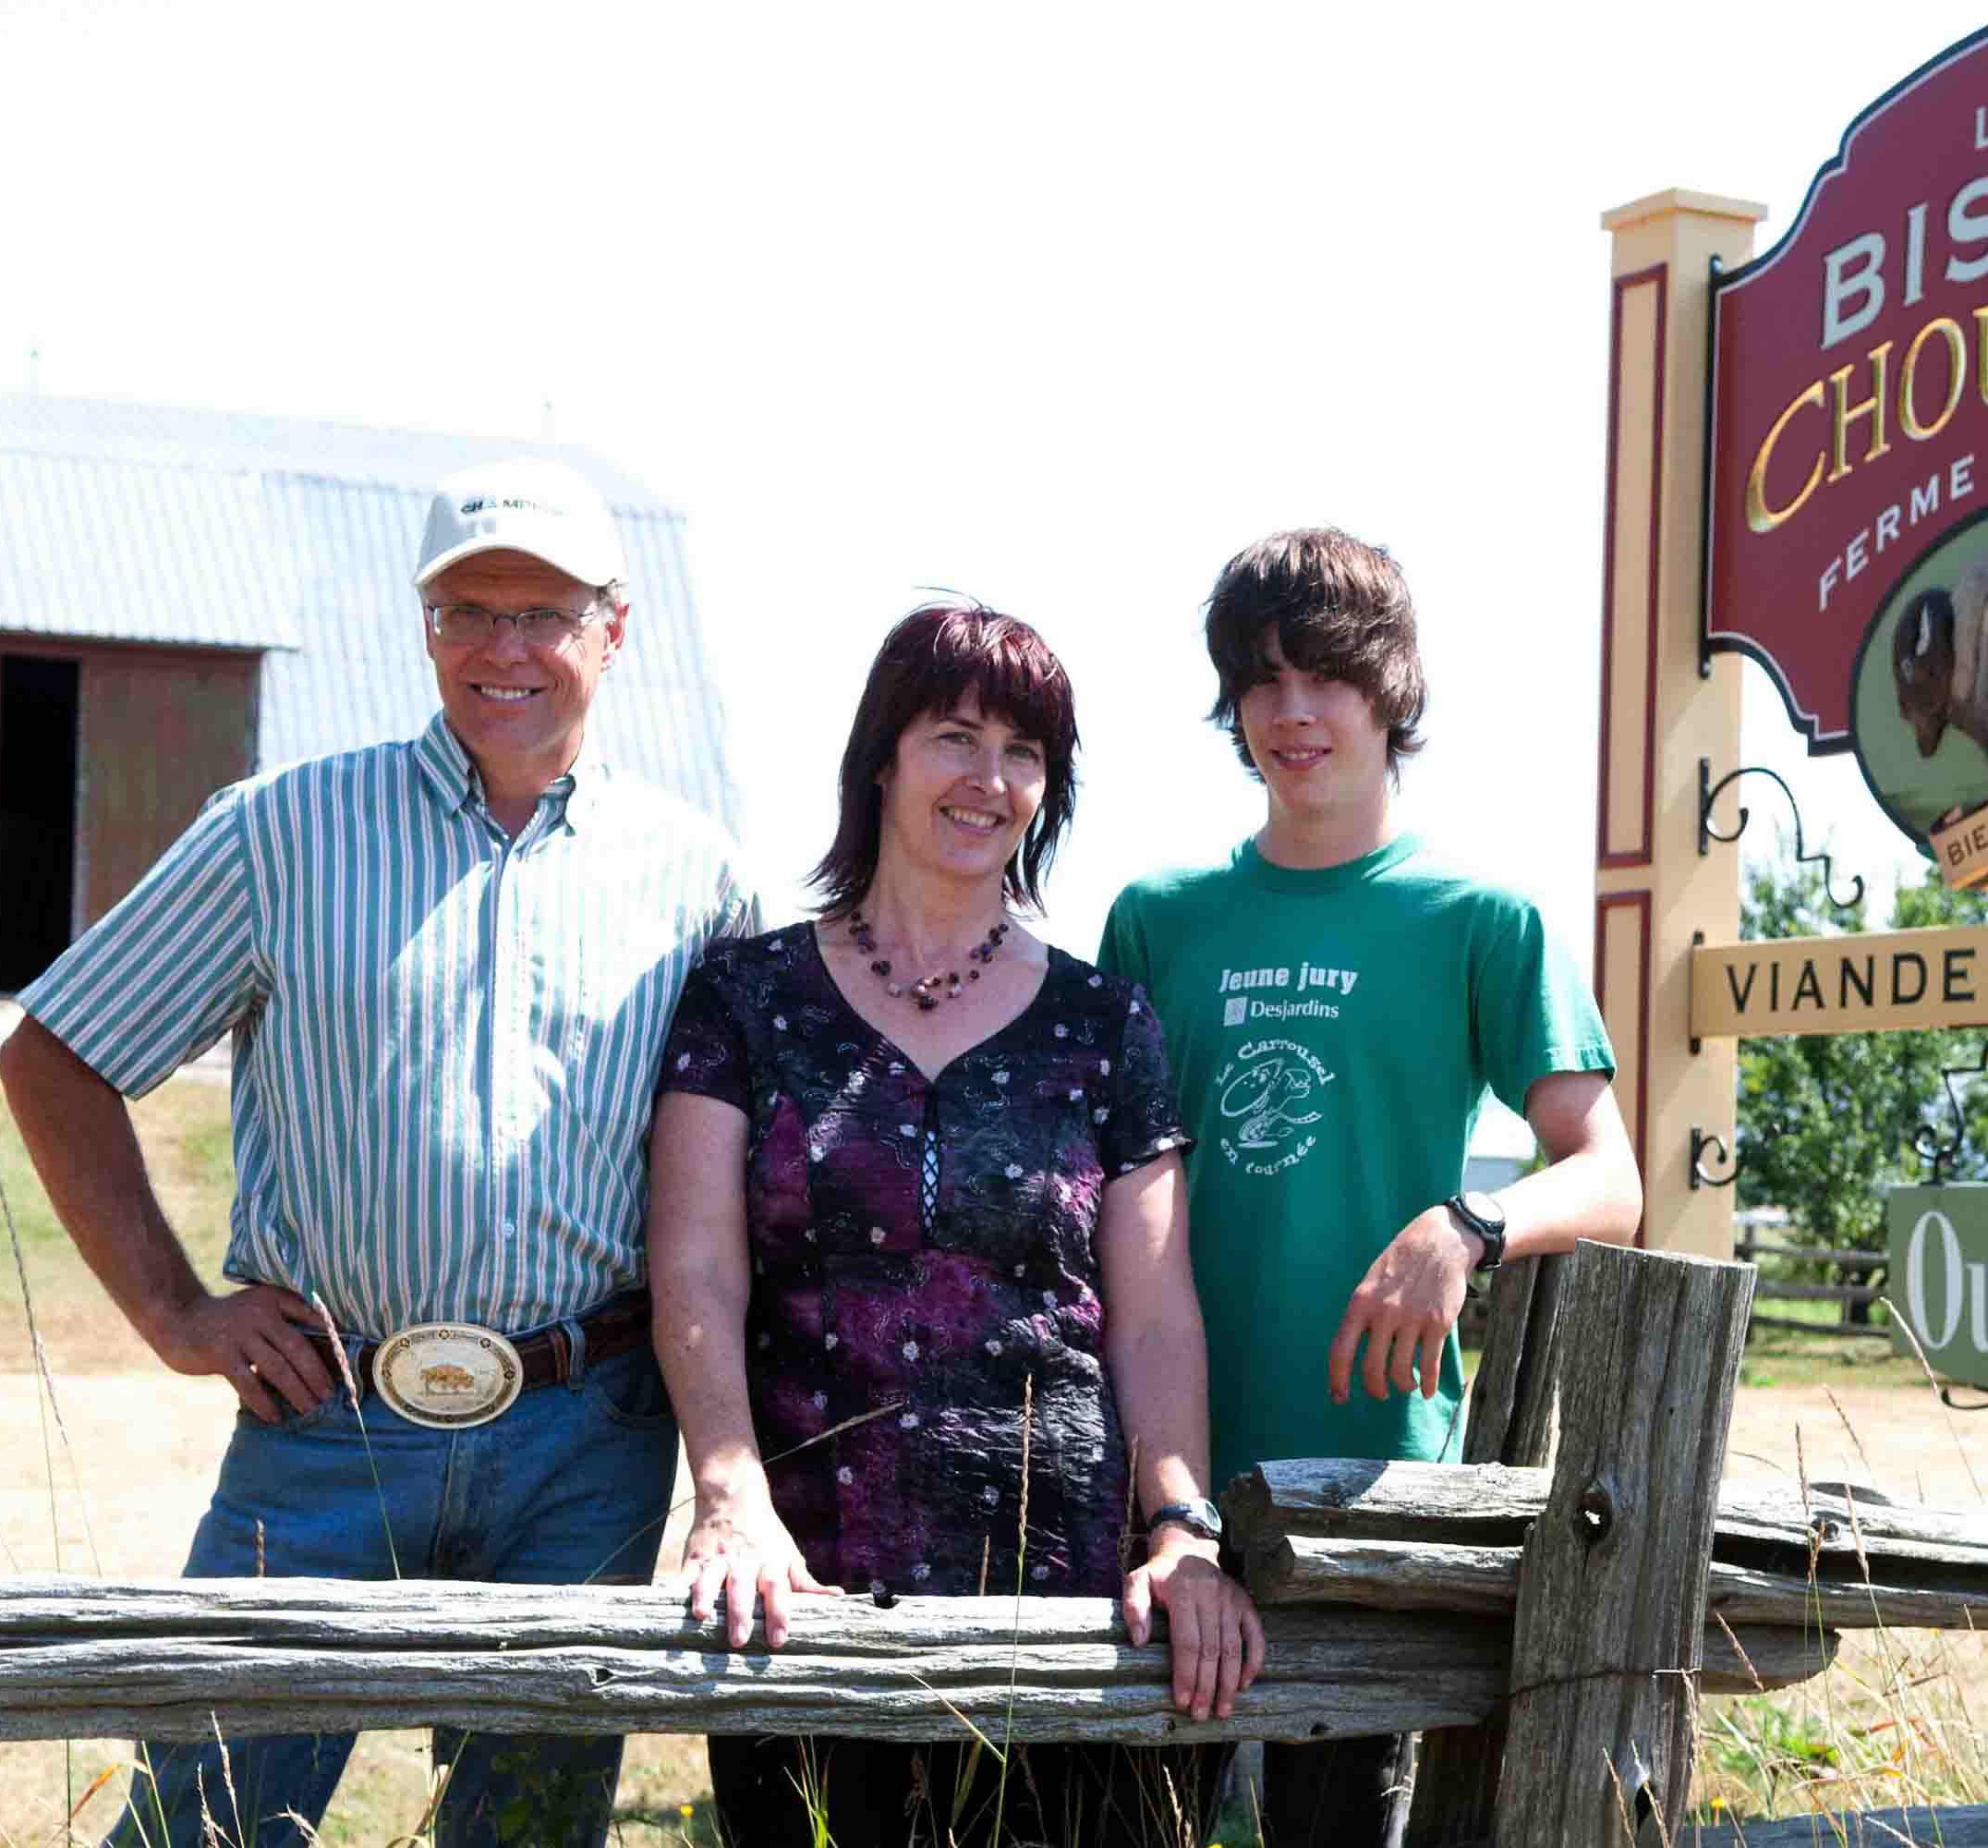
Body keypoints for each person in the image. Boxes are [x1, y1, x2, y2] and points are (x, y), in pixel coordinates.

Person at [0, 457, 753, 1848]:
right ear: (425, 626)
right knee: (203, 1823)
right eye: (469, 611)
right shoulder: (279, 831)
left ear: (614, 629)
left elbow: (729, 1182)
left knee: (527, 1833)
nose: (503, 648)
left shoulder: (698, 876)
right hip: (326, 1420)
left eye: (542, 613)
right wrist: (177, 1313)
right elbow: (55, 1058)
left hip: (587, 1433)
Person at [648, 602, 1260, 1848]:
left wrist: (1181, 1530)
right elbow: (697, 1273)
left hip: (1067, 1613)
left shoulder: (1106, 1023)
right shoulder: (744, 994)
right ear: (882, 757)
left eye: (1023, 752)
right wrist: (728, 1495)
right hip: (801, 1591)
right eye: (954, 737)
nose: (990, 778)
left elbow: (1153, 1316)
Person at [1097, 527, 1645, 1844]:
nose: (1292, 711)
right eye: (1262, 680)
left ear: (1393, 690)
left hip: (1366, 1480)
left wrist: (1467, 1226)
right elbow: (1105, 1195)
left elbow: (1610, 1179)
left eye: (1327, 676)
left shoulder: (1484, 920)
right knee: (1132, 1825)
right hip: (1165, 1472)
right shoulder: (1157, 918)